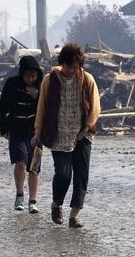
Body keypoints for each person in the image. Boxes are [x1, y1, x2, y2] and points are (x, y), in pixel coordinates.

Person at [31, 43, 100, 228]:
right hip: (58, 134)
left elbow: (95, 107)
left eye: (75, 66)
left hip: (82, 135)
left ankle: (75, 214)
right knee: (63, 174)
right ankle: (56, 204)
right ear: (62, 63)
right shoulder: (50, 79)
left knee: (81, 175)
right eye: (68, 66)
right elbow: (42, 107)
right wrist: (38, 131)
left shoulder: (87, 79)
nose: (71, 70)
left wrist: (86, 129)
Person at [0, 56, 43, 213]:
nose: (30, 79)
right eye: (27, 76)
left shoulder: (42, 87)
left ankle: (33, 201)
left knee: (34, 167)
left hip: (36, 132)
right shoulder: (12, 84)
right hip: (16, 130)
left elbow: (47, 108)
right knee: (21, 162)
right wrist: (4, 128)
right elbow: (2, 107)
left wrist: (35, 95)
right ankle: (19, 195)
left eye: (33, 76)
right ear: (22, 74)